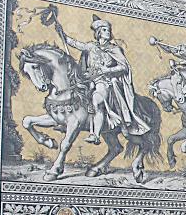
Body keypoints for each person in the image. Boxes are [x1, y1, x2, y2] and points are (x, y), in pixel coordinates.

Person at [58, 15, 149, 144]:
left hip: (104, 82)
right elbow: (76, 44)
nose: (108, 32)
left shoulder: (114, 49)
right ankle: (64, 122)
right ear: (98, 32)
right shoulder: (91, 46)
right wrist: (62, 34)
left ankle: (95, 134)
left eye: (109, 30)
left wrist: (107, 70)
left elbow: (124, 66)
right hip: (88, 81)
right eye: (105, 30)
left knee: (96, 101)